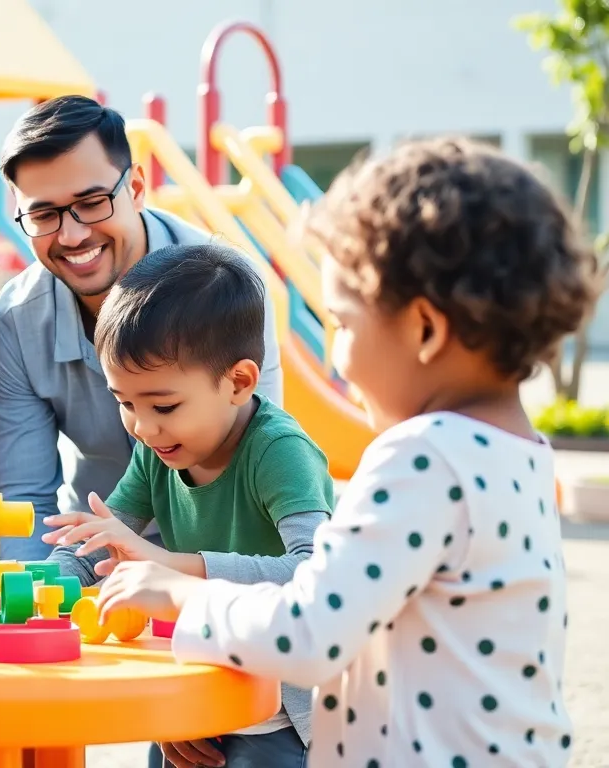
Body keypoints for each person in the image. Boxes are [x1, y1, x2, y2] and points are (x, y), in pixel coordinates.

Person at [96, 137, 599, 765]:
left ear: (424, 329)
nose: (336, 354)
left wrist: (180, 592)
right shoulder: (519, 453)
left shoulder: (425, 459)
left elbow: (311, 630)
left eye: (342, 323)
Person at [44, 243, 333, 767]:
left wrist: (169, 568)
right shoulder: (160, 450)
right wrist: (37, 588)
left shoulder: (279, 452)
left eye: (164, 404)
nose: (143, 426)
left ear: (239, 382)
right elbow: (100, 546)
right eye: (124, 402)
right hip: (193, 695)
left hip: (279, 714)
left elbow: (313, 575)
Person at [0, 95, 284, 562]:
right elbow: (26, 504)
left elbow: (259, 453)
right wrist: (29, 607)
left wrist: (181, 576)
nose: (72, 235)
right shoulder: (15, 319)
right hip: (90, 557)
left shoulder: (229, 286)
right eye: (44, 215)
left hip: (221, 567)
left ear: (137, 188)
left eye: (92, 202)